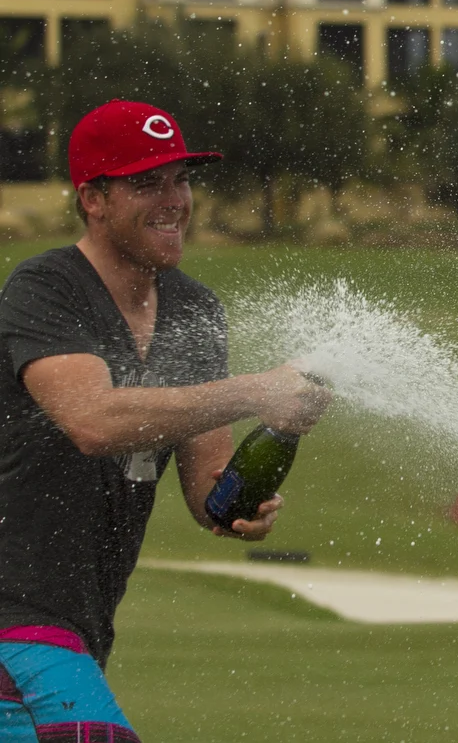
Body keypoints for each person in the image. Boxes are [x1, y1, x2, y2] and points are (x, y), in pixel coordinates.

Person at [0, 100, 331, 742]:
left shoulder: (192, 309)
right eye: (147, 183)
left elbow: (211, 492)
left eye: (181, 179)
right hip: (15, 620)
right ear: (92, 199)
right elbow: (92, 420)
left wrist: (252, 486)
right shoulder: (46, 289)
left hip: (78, 631)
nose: (175, 199)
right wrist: (257, 390)